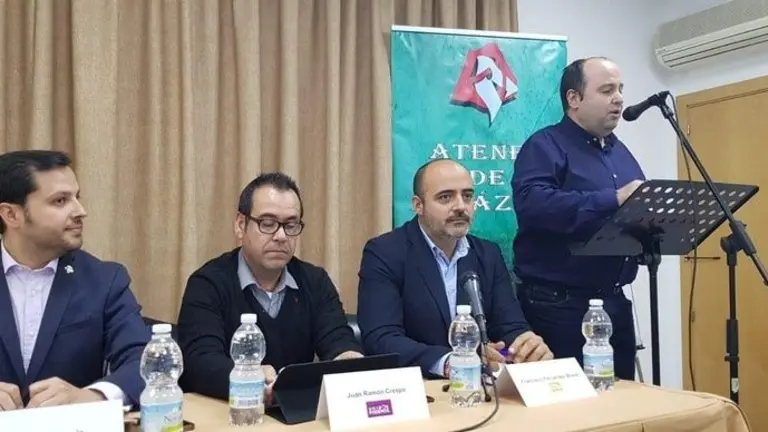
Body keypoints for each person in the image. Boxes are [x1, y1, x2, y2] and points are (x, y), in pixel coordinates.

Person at [511, 57, 646, 380]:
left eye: (620, 89)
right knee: (570, 404)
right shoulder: (545, 146)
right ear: (574, 98)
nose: (619, 98)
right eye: (607, 90)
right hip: (559, 308)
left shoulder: (621, 152)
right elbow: (534, 206)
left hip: (614, 303)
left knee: (624, 399)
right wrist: (613, 198)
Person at [357, 158, 552, 378]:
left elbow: (509, 325)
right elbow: (381, 338)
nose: (460, 206)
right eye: (445, 197)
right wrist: (450, 361)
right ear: (418, 205)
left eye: (467, 196)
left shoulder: (487, 254)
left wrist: (526, 346)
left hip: (479, 384)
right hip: (417, 383)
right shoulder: (385, 252)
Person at [177, 172, 363, 402]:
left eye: (291, 225)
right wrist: (249, 376)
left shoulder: (315, 281)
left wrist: (348, 359)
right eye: (268, 224)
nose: (281, 236)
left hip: (296, 413)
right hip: (230, 411)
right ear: (241, 225)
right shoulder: (208, 283)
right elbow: (200, 361)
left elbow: (337, 339)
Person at [0, 150, 150, 411]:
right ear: (11, 215)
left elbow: (144, 360)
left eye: (76, 198)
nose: (81, 211)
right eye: (60, 201)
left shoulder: (104, 281)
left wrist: (92, 396)